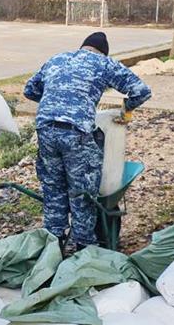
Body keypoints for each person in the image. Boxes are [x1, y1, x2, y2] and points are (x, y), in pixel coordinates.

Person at [24, 32, 151, 251]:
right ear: (103, 52)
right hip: (77, 133)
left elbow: (30, 90)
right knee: (82, 192)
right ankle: (84, 249)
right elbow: (141, 91)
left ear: (83, 47)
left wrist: (55, 103)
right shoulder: (104, 63)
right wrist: (126, 109)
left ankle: (53, 247)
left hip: (45, 129)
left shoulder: (57, 58)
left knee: (53, 188)